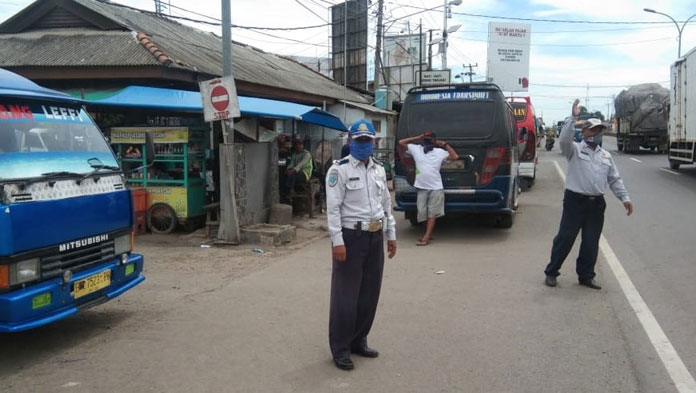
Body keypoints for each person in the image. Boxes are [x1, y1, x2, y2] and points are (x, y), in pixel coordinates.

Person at [325, 119, 397, 371]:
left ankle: (359, 341)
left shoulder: (378, 169)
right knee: (346, 296)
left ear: (374, 142)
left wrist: (391, 235)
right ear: (350, 141)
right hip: (350, 238)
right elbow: (333, 209)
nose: (365, 144)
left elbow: (386, 203)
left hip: (375, 236)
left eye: (368, 140)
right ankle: (341, 348)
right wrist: (337, 242)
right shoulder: (339, 170)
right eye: (360, 140)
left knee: (369, 293)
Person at [544, 99, 634, 290]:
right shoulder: (574, 150)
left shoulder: (605, 156)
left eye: (599, 131)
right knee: (566, 237)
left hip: (596, 204)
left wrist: (624, 198)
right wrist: (573, 117)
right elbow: (564, 140)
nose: (597, 134)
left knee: (591, 241)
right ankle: (552, 272)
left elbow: (615, 179)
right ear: (584, 132)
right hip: (575, 202)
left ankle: (586, 276)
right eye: (593, 130)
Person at [398, 132, 458, 246]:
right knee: (421, 212)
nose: (428, 142)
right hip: (421, 187)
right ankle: (428, 233)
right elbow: (401, 142)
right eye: (426, 139)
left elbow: (455, 157)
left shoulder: (440, 152)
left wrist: (445, 145)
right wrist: (417, 137)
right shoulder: (416, 149)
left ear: (434, 141)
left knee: (432, 212)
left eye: (430, 140)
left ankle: (426, 236)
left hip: (436, 187)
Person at [280, 138, 313, 203]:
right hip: (296, 171)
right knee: (284, 174)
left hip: (305, 173)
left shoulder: (307, 154)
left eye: (300, 144)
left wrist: (293, 170)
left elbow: (301, 164)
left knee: (293, 174)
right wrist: (288, 169)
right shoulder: (294, 154)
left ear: (303, 146)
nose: (298, 146)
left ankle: (290, 190)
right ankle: (284, 192)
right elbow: (292, 163)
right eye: (297, 145)